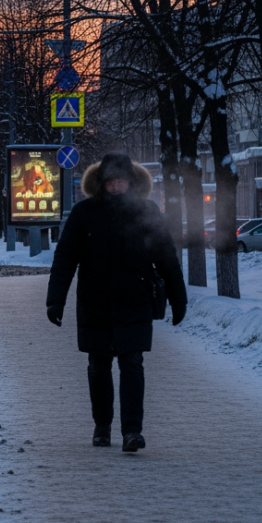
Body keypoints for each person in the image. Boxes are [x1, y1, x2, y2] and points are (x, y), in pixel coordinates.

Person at [46, 153, 186, 452]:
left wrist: (179, 298)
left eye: (121, 181)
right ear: (101, 183)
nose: (116, 186)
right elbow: (65, 258)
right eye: (111, 182)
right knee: (98, 366)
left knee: (132, 364)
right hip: (94, 302)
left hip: (135, 301)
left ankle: (132, 431)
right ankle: (102, 426)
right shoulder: (84, 213)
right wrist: (55, 300)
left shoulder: (146, 212)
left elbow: (166, 258)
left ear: (132, 182)